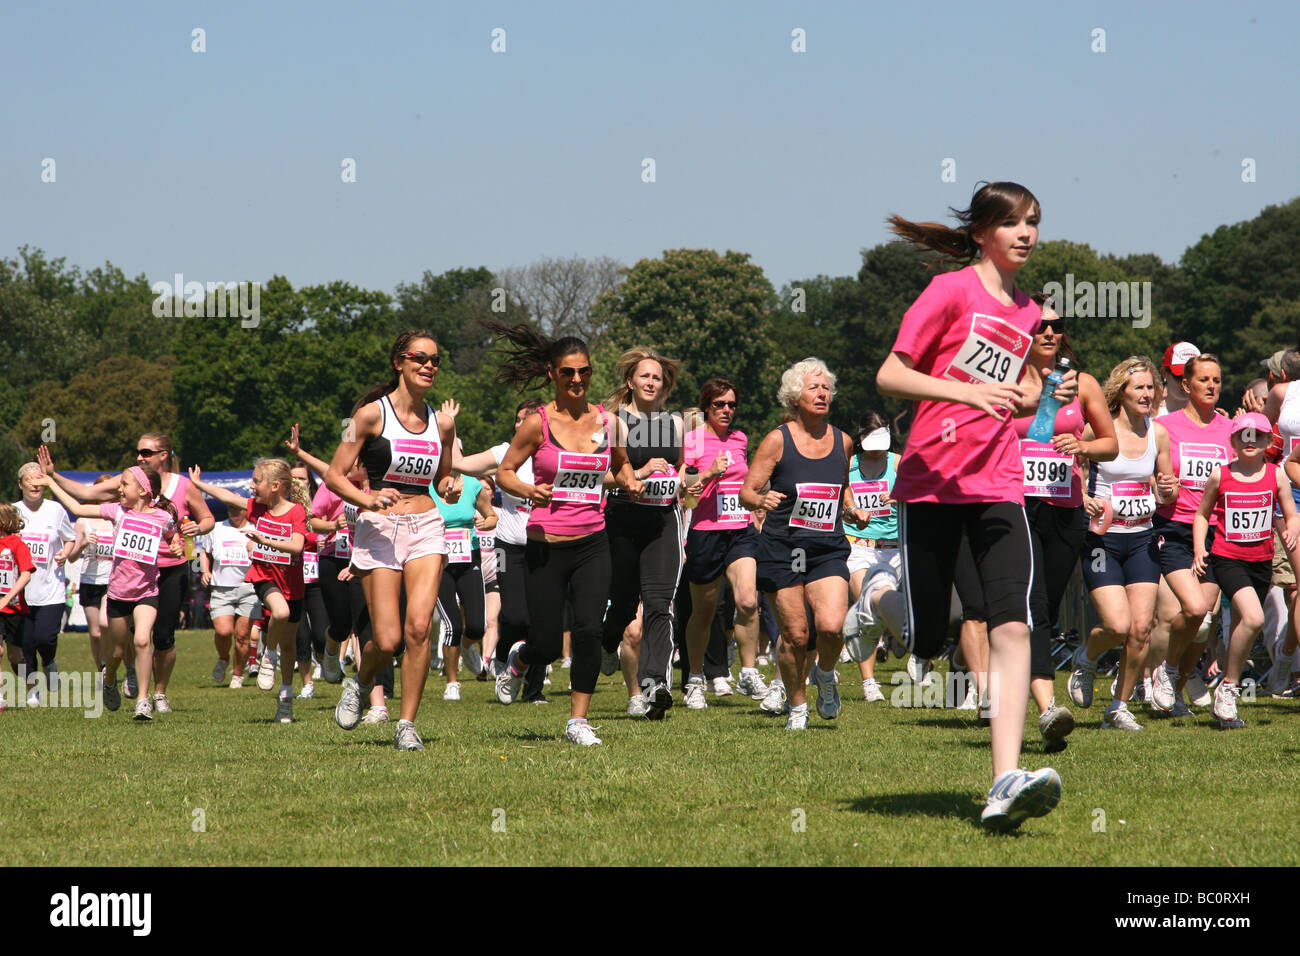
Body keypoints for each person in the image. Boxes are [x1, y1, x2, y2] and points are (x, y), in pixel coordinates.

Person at [876, 181, 1076, 830]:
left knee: (1012, 624)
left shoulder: (1027, 311)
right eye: (1014, 222)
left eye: (1035, 223)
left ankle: (1003, 781)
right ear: (984, 231)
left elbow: (1015, 388)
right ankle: (878, 604)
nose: (1027, 233)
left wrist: (1023, 394)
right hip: (931, 482)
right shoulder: (950, 291)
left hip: (996, 481)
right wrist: (966, 395)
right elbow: (892, 374)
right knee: (928, 637)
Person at [486, 321, 623, 746]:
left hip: (593, 543)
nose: (578, 379)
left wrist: (632, 480)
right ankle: (521, 660)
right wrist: (529, 490)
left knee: (587, 631)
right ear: (553, 374)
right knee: (544, 640)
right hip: (545, 545)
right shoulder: (536, 425)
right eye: (568, 372)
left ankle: (578, 721)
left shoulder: (609, 423)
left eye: (584, 371)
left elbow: (620, 469)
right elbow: (504, 473)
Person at [325, 330, 459, 750]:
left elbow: (444, 477)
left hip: (426, 526)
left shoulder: (443, 422)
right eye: (420, 357)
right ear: (399, 361)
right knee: (388, 640)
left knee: (419, 627)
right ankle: (360, 682)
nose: (429, 365)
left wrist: (451, 486)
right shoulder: (367, 416)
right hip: (380, 530)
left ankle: (406, 725)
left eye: (436, 360)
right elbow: (333, 475)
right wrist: (368, 496)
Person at [38, 434, 215, 711]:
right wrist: (53, 477)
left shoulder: (179, 491)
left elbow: (198, 522)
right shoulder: (124, 499)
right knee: (121, 646)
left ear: (164, 454)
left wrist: (190, 535)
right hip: (123, 583)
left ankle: (154, 695)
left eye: (146, 451)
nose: (140, 456)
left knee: (161, 636)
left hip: (161, 577)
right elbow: (83, 497)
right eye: (138, 451)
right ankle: (118, 676)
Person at [742, 358, 869, 730]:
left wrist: (852, 509)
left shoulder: (843, 441)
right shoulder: (777, 440)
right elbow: (747, 490)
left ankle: (826, 675)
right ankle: (797, 706)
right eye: (814, 387)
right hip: (783, 547)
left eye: (826, 387)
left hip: (826, 547)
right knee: (796, 635)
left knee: (830, 627)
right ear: (795, 396)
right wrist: (759, 500)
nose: (822, 393)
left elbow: (841, 488)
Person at [1012, 298, 1117, 749]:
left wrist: (1083, 450)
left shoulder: (1084, 384)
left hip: (1066, 507)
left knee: (1048, 608)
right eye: (1040, 326)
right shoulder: (1007, 382)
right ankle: (1048, 707)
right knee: (1033, 602)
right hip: (1015, 505)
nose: (1049, 332)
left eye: (1057, 326)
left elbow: (1111, 444)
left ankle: (1014, 681)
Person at [1070, 357, 1167, 730]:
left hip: (1142, 537)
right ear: (1121, 392)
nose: (1146, 394)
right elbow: (1075, 465)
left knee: (1141, 629)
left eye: (1150, 387)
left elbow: (1165, 482)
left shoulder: (1157, 433)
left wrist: (1168, 488)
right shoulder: (1099, 430)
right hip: (1103, 539)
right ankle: (1086, 656)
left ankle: (1119, 706)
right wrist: (1083, 495)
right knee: (1116, 624)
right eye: (1138, 387)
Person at [42, 465, 183, 718]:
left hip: (147, 592)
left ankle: (142, 700)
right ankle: (109, 681)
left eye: (125, 484)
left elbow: (175, 538)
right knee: (117, 651)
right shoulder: (117, 511)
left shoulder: (162, 517)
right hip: (118, 593)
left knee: (141, 640)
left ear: (143, 490)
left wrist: (176, 547)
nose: (119, 488)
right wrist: (50, 481)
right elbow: (77, 508)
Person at [1192, 413, 1300, 727]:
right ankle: (1228, 688)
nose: (1250, 441)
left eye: (1257, 436)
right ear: (1233, 441)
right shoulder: (1220, 475)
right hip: (1227, 558)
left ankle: (1227, 702)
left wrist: (1291, 529)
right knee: (1254, 617)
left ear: (1268, 442)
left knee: (1242, 625)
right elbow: (1202, 515)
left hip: (1261, 562)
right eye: (1243, 436)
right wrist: (1200, 548)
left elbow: (1290, 513)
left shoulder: (1275, 475)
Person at [189, 460, 311, 722]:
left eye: (257, 481)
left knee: (289, 645)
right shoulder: (257, 507)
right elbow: (229, 496)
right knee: (280, 611)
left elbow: (298, 546)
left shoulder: (296, 512)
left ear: (276, 486)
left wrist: (265, 541)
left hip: (293, 584)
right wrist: (200, 485)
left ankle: (286, 699)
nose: (252, 486)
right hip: (264, 577)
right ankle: (268, 654)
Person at [602, 348, 687, 718]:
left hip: (663, 522)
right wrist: (636, 476)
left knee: (659, 605)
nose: (651, 382)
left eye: (657, 377)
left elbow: (686, 469)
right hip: (622, 521)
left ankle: (656, 684)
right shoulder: (613, 423)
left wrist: (684, 481)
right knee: (622, 603)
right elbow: (597, 476)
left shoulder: (679, 424)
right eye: (645, 376)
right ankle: (608, 643)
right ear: (630, 382)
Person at [1148, 354, 1234, 716]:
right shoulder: (1164, 426)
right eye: (1203, 380)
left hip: (1216, 531)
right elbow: (1147, 473)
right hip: (1175, 527)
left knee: (1205, 622)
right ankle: (1162, 673)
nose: (1212, 386)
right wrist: (1160, 487)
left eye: (1216, 380)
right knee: (1193, 608)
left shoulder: (1229, 430)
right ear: (1186, 385)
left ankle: (1176, 687)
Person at [681, 377, 768, 707]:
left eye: (732, 404)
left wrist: (757, 499)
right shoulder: (693, 441)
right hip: (705, 532)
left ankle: (747, 672)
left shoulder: (741, 438)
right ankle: (694, 678)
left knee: (747, 601)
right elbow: (685, 496)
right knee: (703, 614)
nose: (727, 410)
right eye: (719, 404)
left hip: (741, 530)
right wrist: (708, 474)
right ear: (706, 407)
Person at [841, 414, 905, 703]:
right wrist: (853, 511)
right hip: (859, 545)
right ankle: (869, 682)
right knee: (864, 601)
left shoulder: (898, 463)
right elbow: (843, 499)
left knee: (900, 607)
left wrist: (899, 497)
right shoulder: (849, 465)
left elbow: (921, 494)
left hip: (896, 548)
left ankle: (915, 655)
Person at [11, 463, 77, 706]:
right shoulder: (12, 512)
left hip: (51, 588)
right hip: (22, 591)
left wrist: (64, 553)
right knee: (26, 644)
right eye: (29, 479)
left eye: (39, 479)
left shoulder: (56, 510)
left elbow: (70, 539)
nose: (35, 484)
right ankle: (32, 691)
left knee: (45, 639)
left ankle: (49, 661)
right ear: (21, 485)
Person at [197, 501, 262, 688]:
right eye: (229, 508)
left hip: (248, 588)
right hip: (221, 588)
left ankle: (238, 675)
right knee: (223, 631)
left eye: (237, 508)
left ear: (245, 510)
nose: (233, 512)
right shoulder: (216, 528)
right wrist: (206, 571)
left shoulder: (255, 529)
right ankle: (224, 658)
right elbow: (205, 551)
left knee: (242, 636)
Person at [63, 474, 115, 671]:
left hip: (112, 580)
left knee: (105, 624)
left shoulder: (118, 517)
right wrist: (83, 543)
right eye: (102, 490)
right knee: (95, 633)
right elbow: (72, 557)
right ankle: (102, 667)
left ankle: (113, 663)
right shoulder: (84, 520)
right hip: (90, 579)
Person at [0, 503, 37, 711]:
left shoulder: (16, 544)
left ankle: (31, 688)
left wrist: (7, 597)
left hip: (13, 607)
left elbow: (26, 574)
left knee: (16, 657)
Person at [1155, 343, 1200, 417]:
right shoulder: (1149, 419)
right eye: (1179, 376)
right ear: (1164, 373)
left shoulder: (1213, 419)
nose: (1185, 383)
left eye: (1192, 377)